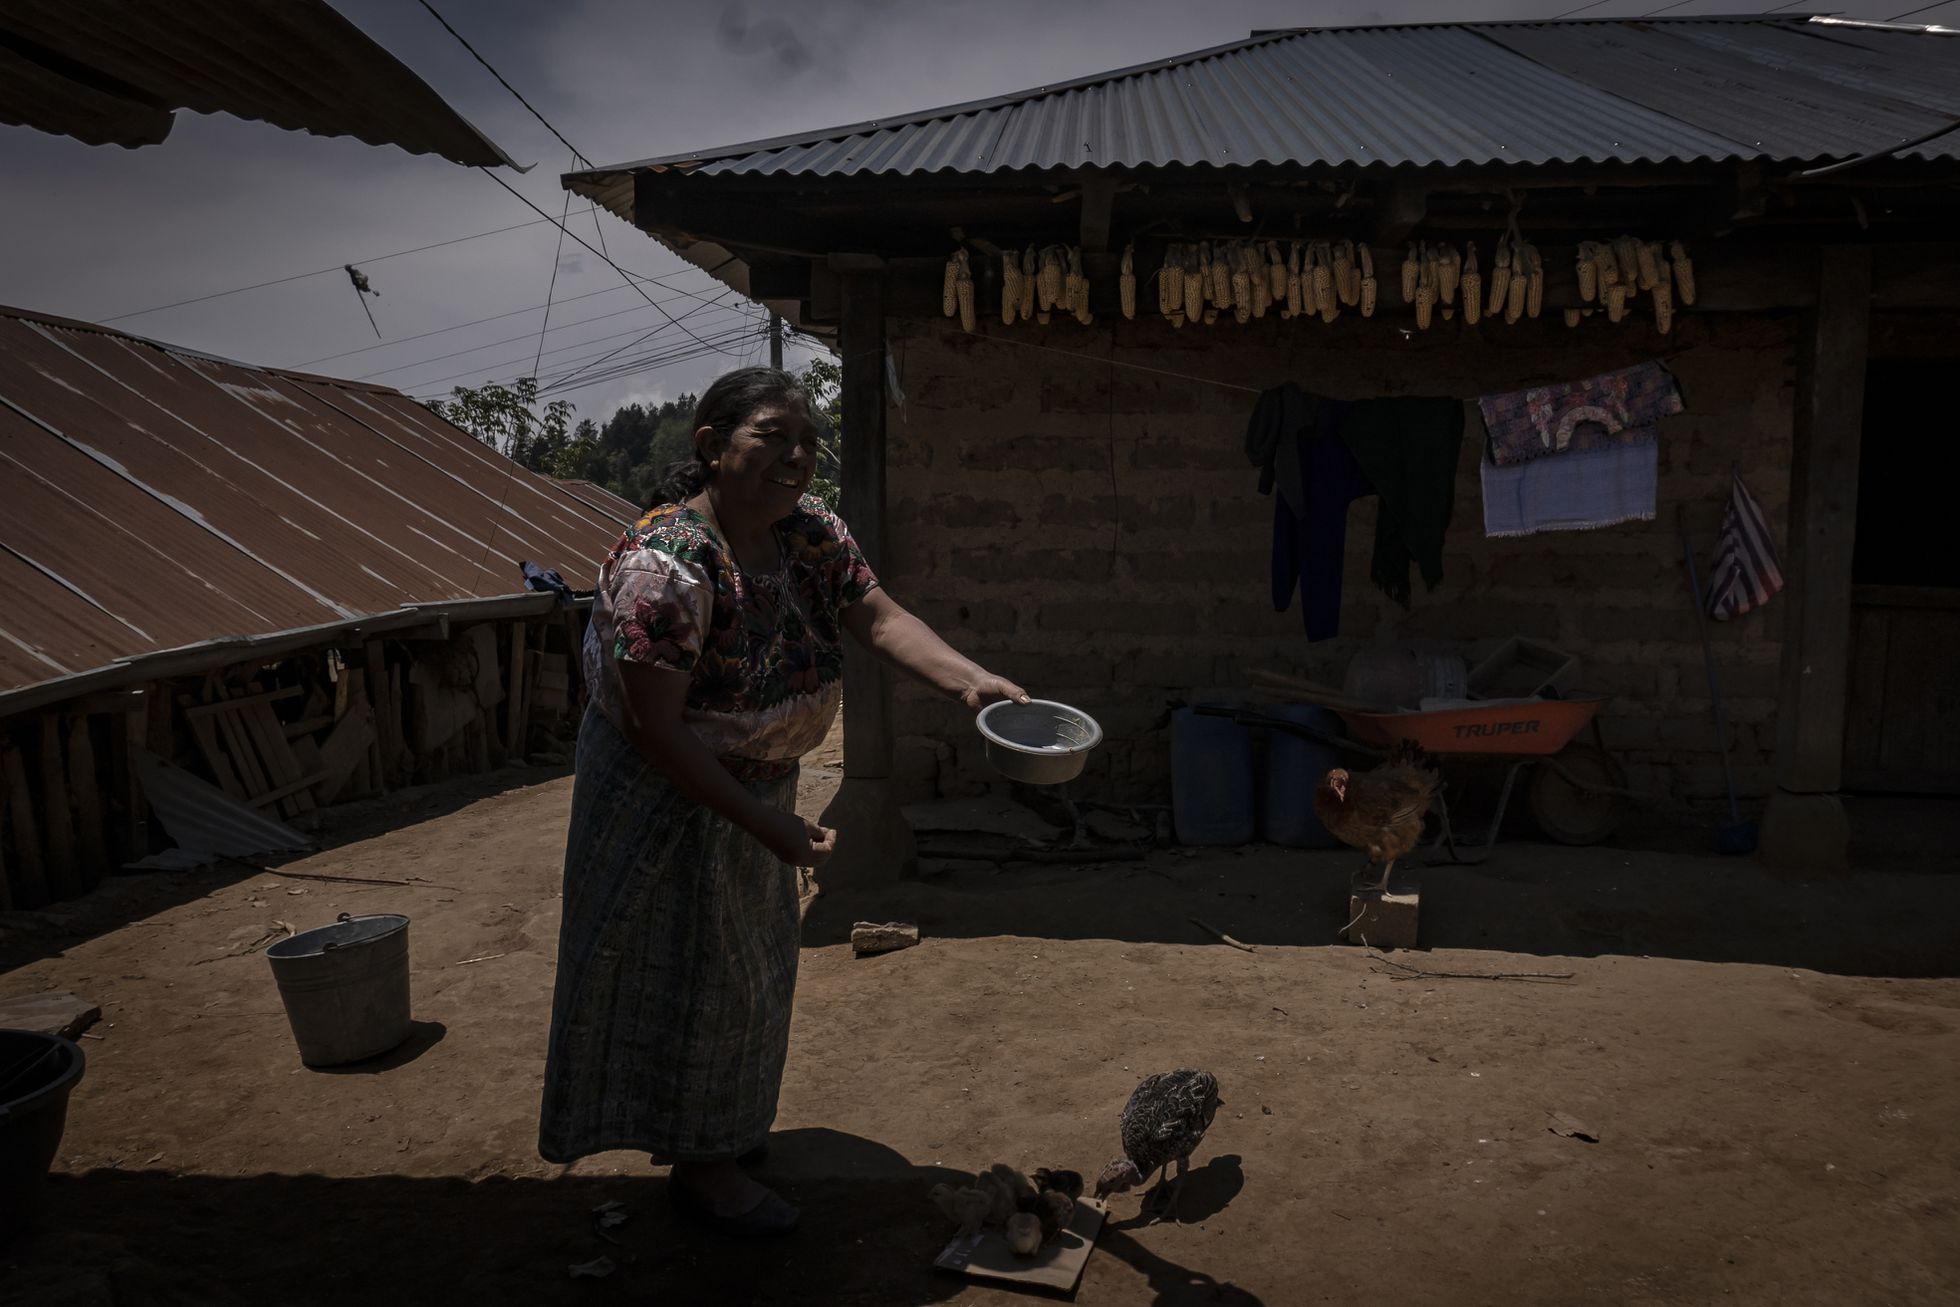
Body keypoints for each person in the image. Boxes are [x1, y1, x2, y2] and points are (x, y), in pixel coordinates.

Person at [538, 367, 1027, 1236]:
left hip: (756, 785)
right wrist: (769, 825)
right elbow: (658, 730)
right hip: (669, 797)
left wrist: (971, 682)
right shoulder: (668, 565)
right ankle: (705, 1167)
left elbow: (875, 615)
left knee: (749, 977)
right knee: (689, 977)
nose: (797, 457)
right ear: (710, 446)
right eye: (773, 437)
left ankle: (721, 1129)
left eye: (808, 442)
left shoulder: (809, 535)